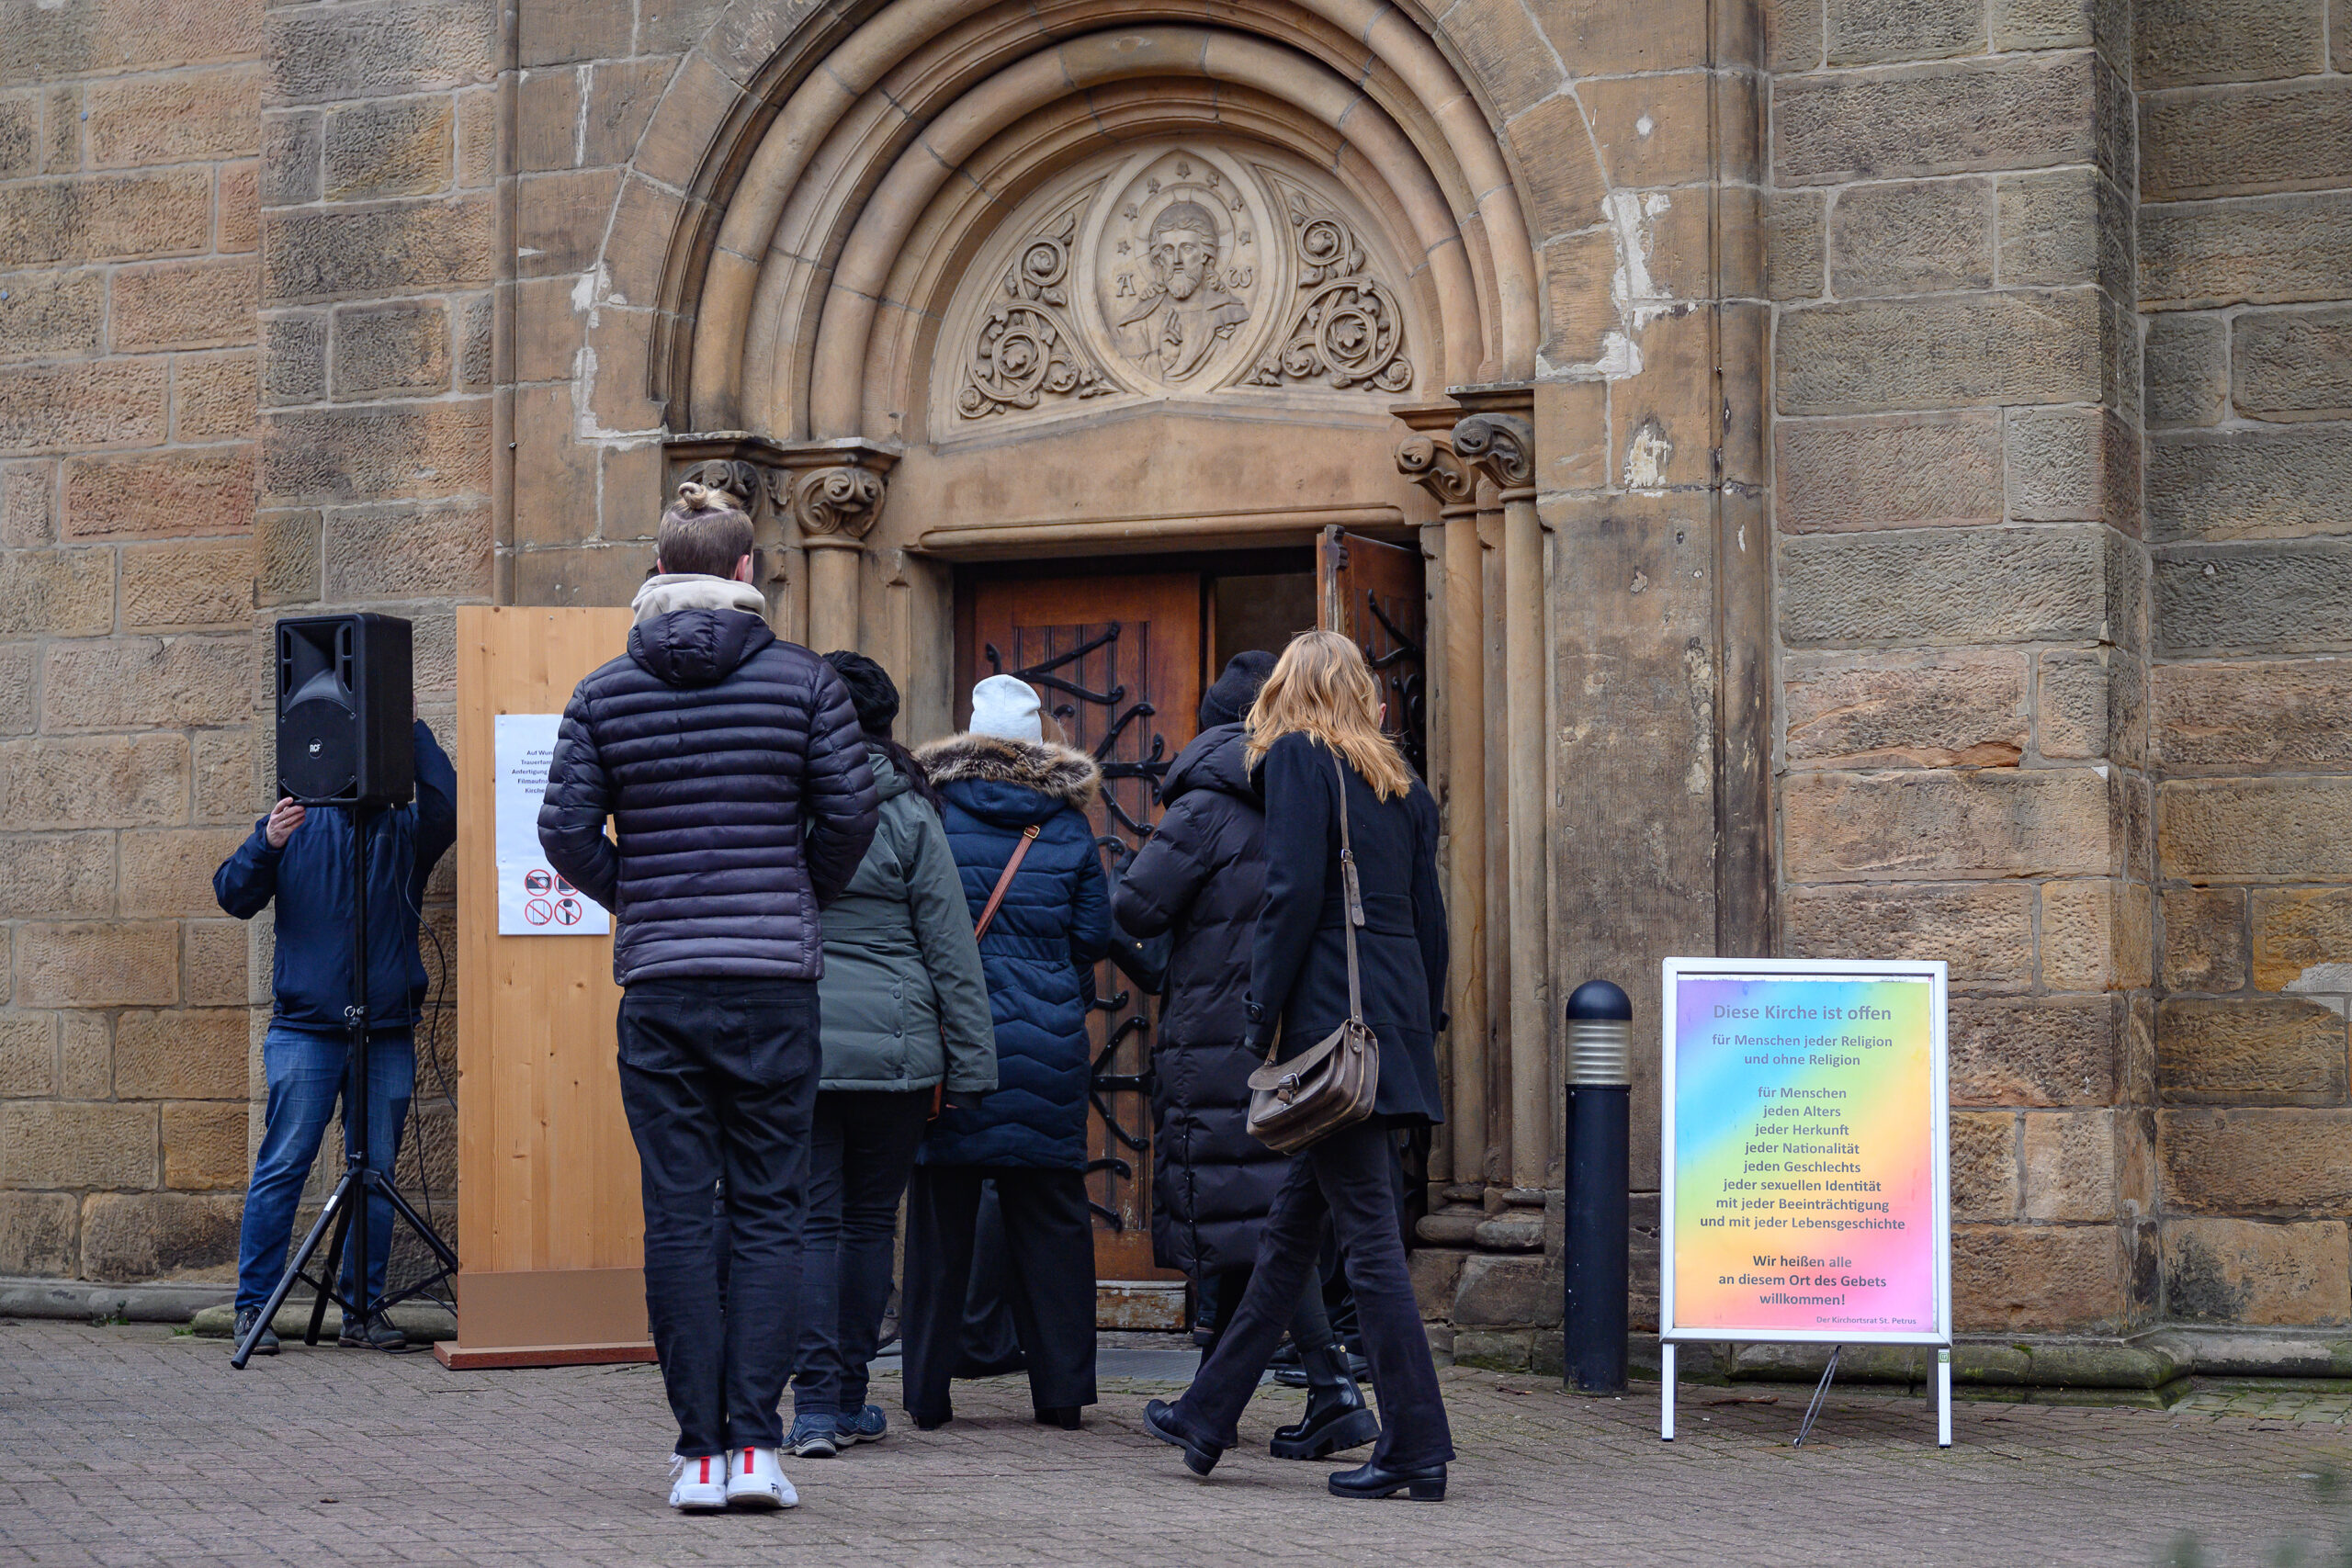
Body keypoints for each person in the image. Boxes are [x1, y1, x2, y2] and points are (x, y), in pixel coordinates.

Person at [538, 479, 878, 1514]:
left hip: (663, 987)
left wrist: (635, 898)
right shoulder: (807, 682)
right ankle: (755, 1450)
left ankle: (696, 1457)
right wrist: (797, 898)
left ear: (656, 575)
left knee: (681, 1215)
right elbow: (852, 816)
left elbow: (562, 834)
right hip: (774, 984)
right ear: (744, 572)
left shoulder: (603, 693)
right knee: (773, 1214)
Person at [1143, 629, 1453, 1502]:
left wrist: (1259, 1014)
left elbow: (1290, 898)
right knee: (1290, 1237)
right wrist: (1417, 1029)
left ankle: (1417, 1442)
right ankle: (1210, 1413)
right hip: (1385, 1037)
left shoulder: (1296, 762)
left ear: (1288, 690)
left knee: (1369, 1252)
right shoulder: (1402, 785)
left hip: (1326, 1032)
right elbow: (1429, 925)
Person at [1113, 650, 1377, 1461]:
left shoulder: (1208, 805)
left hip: (1223, 1035)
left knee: (1261, 1223)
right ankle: (1219, 1396)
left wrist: (1161, 960)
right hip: (1308, 1031)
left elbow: (1134, 905)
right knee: (1273, 1212)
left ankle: (1330, 1389)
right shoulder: (1339, 790)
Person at [786, 652, 996, 1461]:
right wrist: (973, 1064)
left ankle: (809, 1411)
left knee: (810, 1223)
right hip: (897, 1053)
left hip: (796, 1037)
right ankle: (846, 1397)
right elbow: (950, 947)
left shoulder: (784, 798)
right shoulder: (910, 807)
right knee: (870, 1223)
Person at [899, 674, 1111, 1432]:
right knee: (1053, 1223)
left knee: (938, 1223)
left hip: (955, 1043)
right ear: (1038, 741)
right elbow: (1092, 933)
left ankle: (925, 1393)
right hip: (1048, 1042)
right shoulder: (1067, 823)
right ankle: (1060, 1397)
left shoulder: (931, 810)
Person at [215, 719, 457, 1357]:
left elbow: (447, 804)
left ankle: (362, 1309)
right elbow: (232, 894)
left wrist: (402, 720)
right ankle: (253, 1309)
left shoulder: (403, 831)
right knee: (284, 1165)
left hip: (384, 1030)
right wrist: (266, 842)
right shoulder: (294, 821)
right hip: (306, 1030)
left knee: (375, 1171)